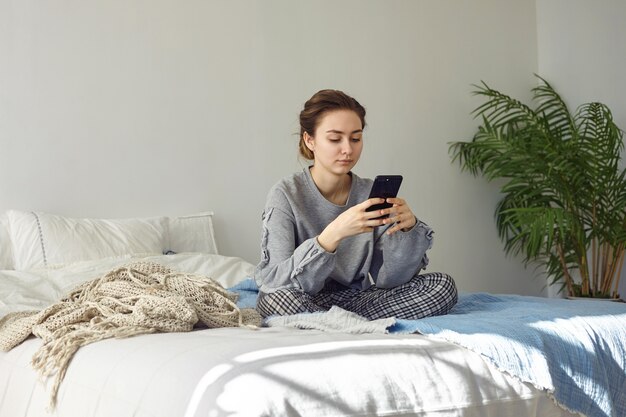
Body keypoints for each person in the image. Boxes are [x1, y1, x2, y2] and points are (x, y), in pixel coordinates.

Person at [254, 89, 457, 320]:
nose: (348, 149)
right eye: (334, 139)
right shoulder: (286, 194)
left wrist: (407, 233)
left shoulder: (369, 193)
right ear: (309, 140)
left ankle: (333, 326)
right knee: (275, 299)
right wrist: (332, 235)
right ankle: (351, 327)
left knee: (442, 285)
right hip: (301, 297)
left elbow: (389, 281)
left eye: (355, 138)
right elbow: (275, 280)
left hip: (355, 301)